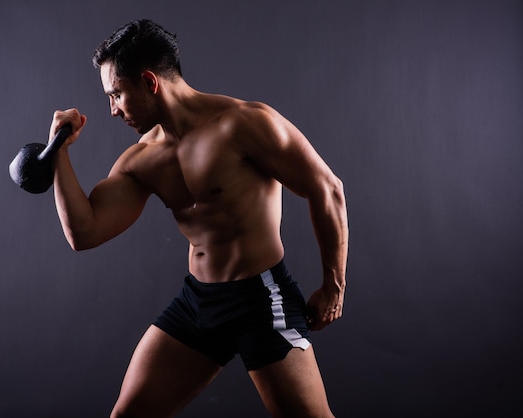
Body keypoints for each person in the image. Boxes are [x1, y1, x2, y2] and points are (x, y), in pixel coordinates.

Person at [49, 19, 348, 418]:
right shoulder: (143, 159)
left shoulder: (243, 124)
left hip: (261, 300)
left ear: (150, 83)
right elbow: (83, 232)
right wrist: (57, 153)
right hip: (200, 301)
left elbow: (326, 188)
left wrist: (334, 285)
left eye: (117, 94)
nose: (113, 109)